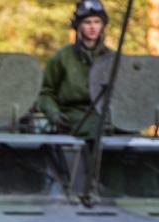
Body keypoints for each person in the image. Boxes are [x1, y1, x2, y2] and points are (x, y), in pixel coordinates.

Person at [37, 0, 111, 137]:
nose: (93, 27)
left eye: (97, 22)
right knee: (94, 128)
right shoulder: (63, 57)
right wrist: (53, 113)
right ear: (78, 26)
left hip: (108, 116)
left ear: (102, 25)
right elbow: (45, 92)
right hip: (73, 115)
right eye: (87, 22)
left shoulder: (112, 59)